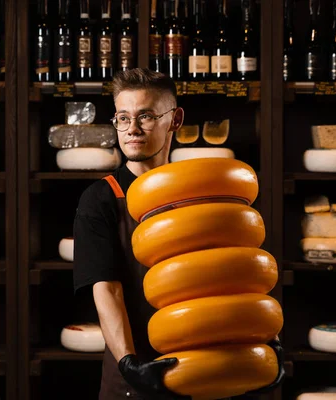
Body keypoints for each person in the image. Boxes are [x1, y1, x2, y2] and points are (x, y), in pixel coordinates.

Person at [73, 68, 284, 400]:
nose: (132, 130)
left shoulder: (202, 194)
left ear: (175, 119)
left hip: (208, 371)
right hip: (138, 378)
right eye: (123, 118)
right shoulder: (100, 199)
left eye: (145, 116)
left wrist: (265, 342)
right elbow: (107, 292)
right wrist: (129, 364)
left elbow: (235, 276)